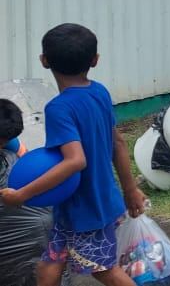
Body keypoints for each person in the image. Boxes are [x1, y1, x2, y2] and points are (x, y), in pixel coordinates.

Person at [0, 24, 147, 286]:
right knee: (50, 262)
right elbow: (118, 143)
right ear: (95, 60)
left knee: (104, 270)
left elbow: (75, 160)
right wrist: (130, 189)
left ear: (44, 61)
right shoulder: (99, 91)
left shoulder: (59, 107)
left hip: (87, 210)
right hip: (81, 205)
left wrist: (23, 194)